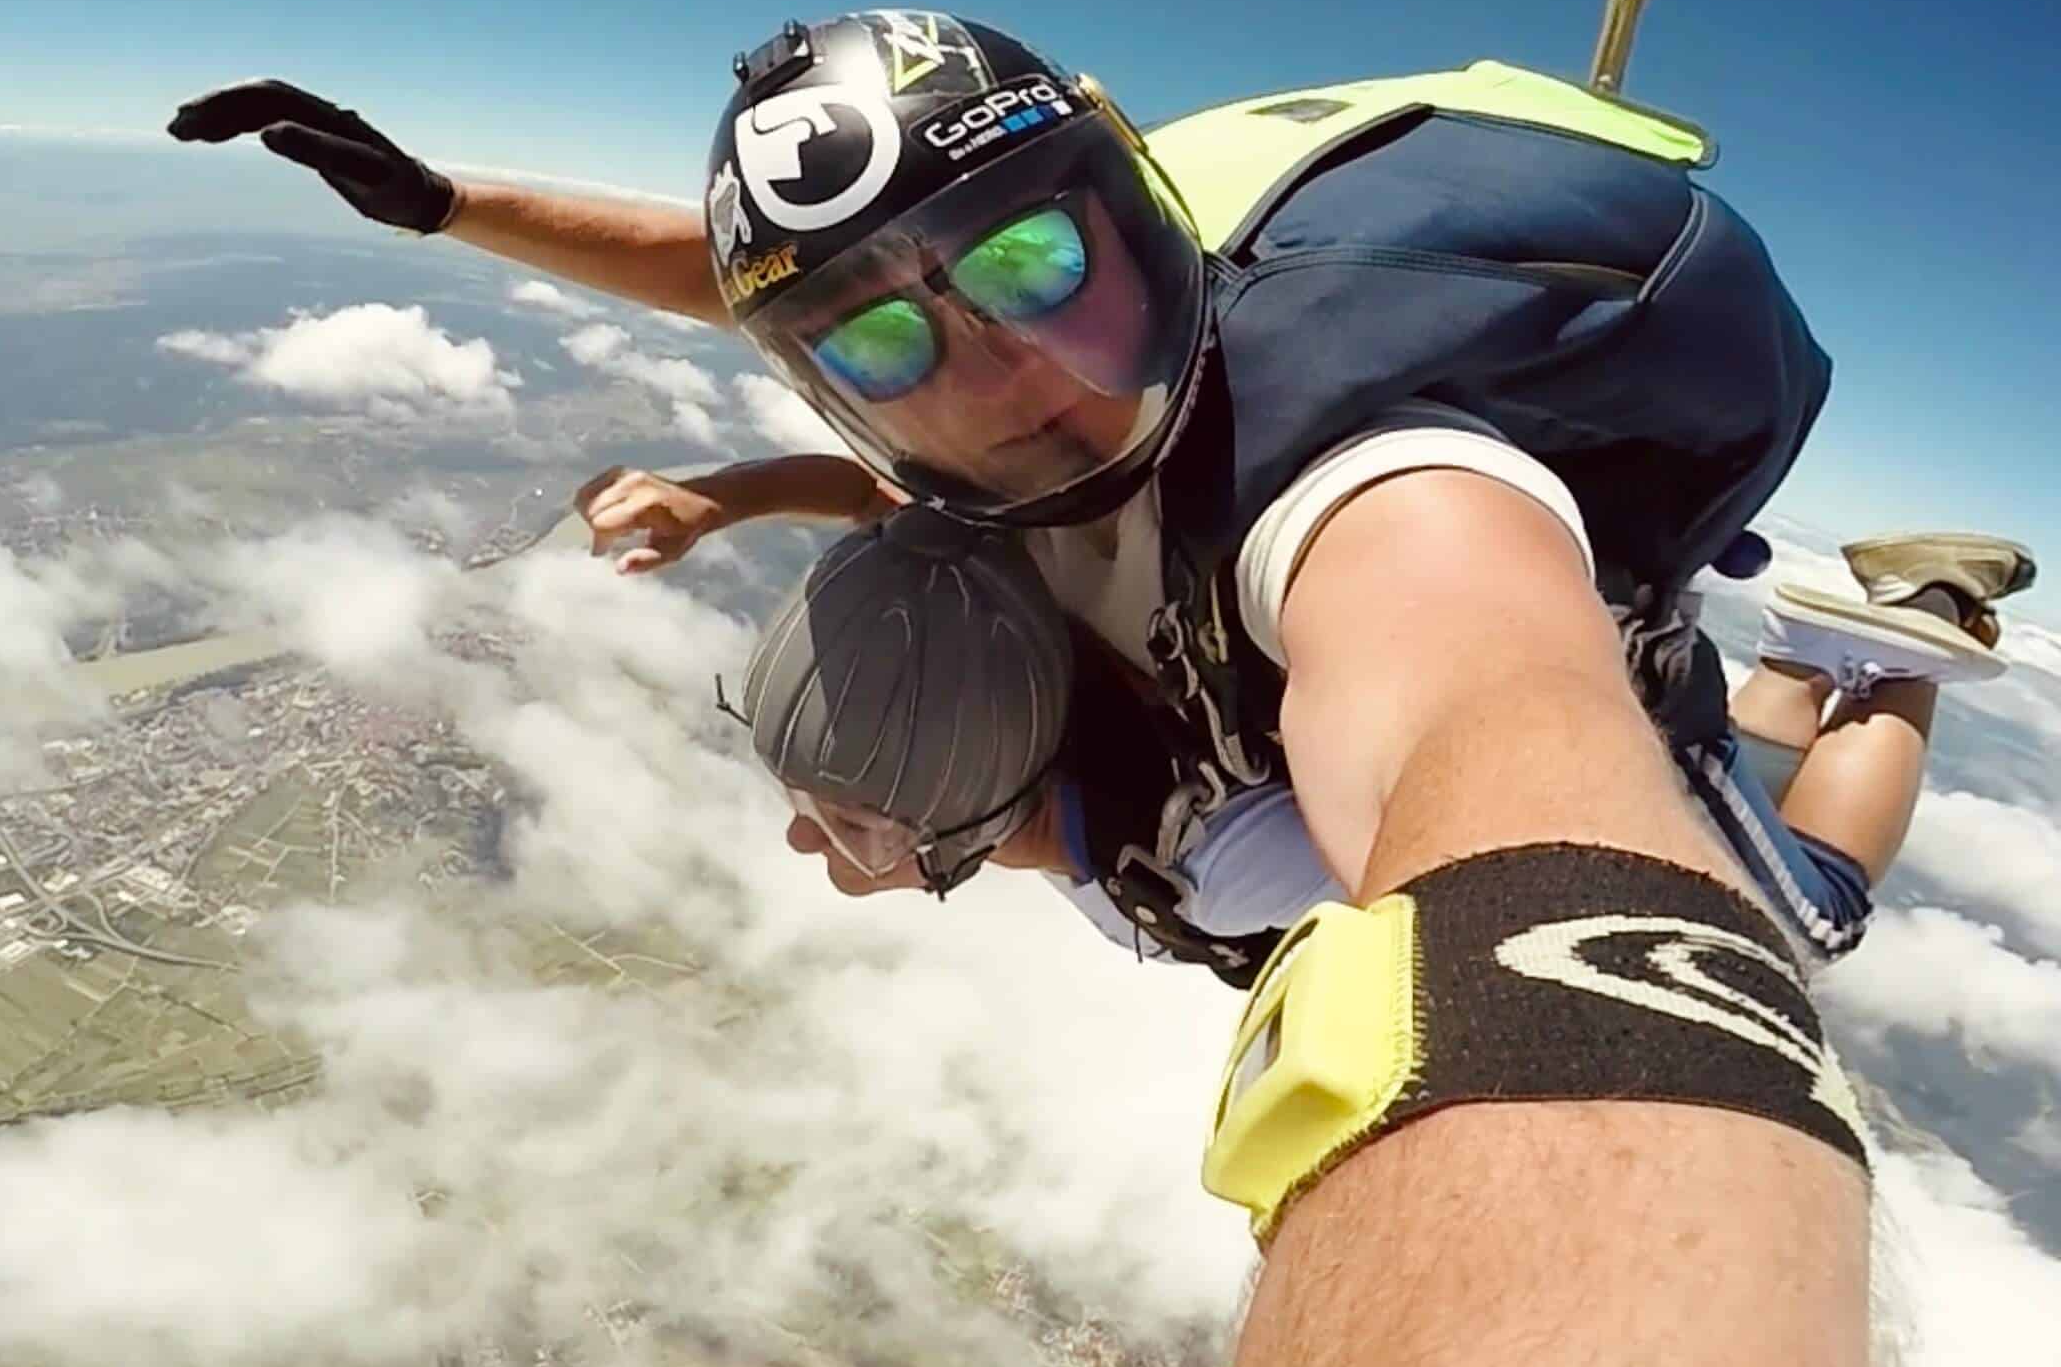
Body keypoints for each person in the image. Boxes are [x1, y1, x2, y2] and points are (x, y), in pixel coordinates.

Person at [169, 15, 1911, 1367]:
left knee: (1803, 899)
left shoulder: (1372, 504)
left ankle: (1897, 651)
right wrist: (458, 216)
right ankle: (1774, 678)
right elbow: (834, 353)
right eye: (881, 343)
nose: (998, 374)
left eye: (1030, 257)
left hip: (1560, 653)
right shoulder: (1000, 478)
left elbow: (1506, 793)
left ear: (1150, 220)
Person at [743, 509, 2033, 995]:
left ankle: (1908, 627)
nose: (810, 842)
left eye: (852, 819)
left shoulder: (1231, 871)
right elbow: (917, 531)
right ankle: (1791, 667)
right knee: (1719, 768)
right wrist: (735, 492)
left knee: (1801, 922)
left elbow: (1507, 890)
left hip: (1563, 709)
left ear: (966, 809)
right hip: (1590, 671)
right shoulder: (1040, 648)